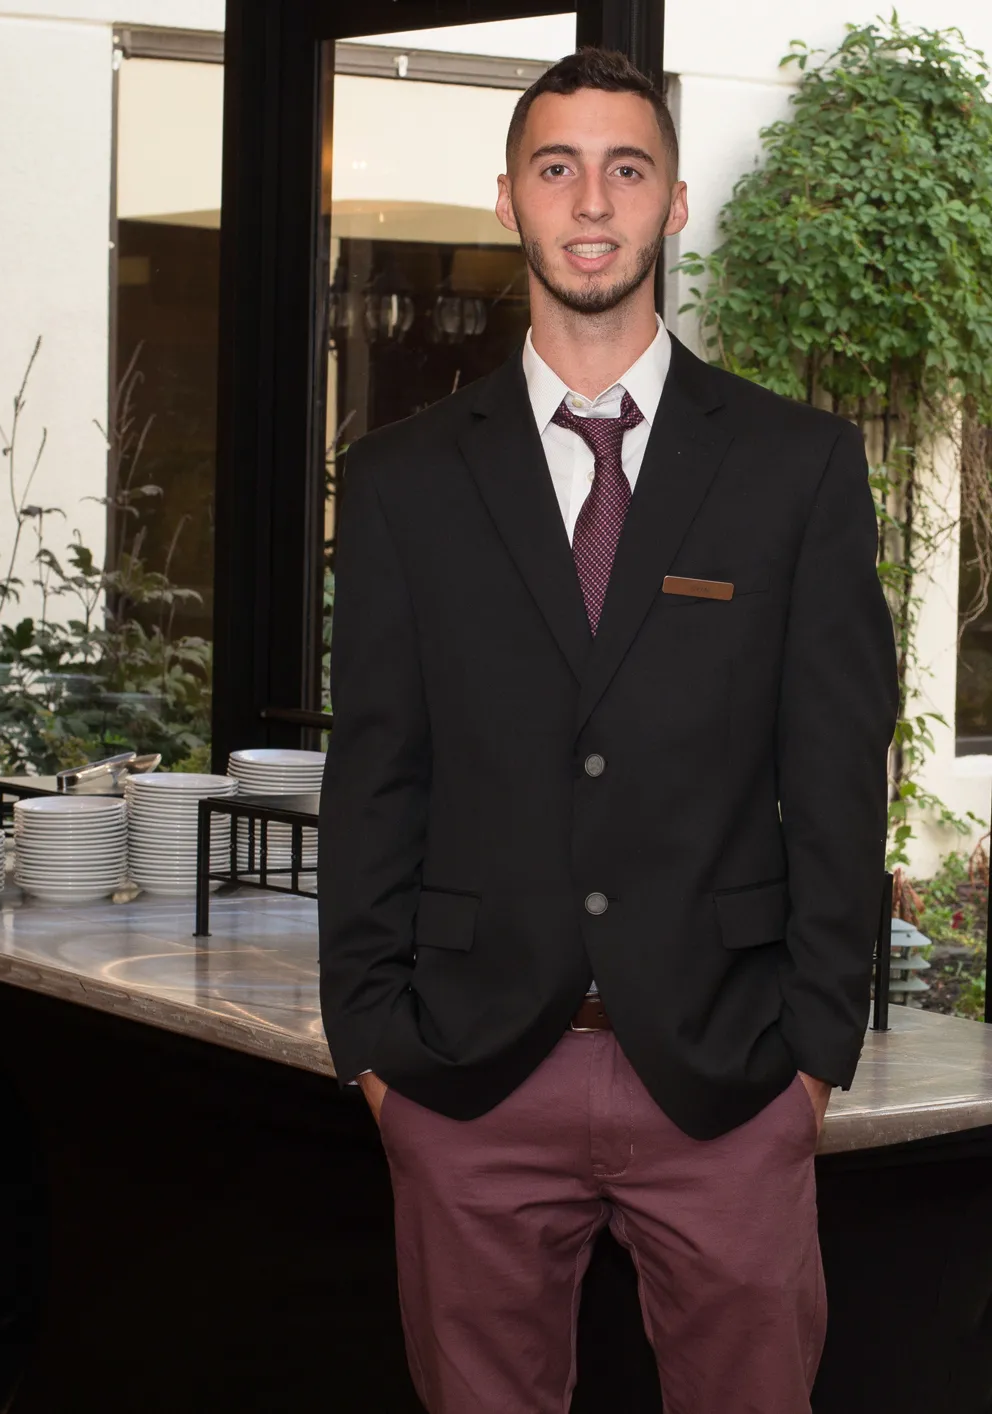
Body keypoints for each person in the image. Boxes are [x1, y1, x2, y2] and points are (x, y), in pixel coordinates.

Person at [319, 44, 899, 1414]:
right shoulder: (402, 481)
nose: (593, 201)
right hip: (466, 1080)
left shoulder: (796, 469)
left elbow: (833, 774)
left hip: (729, 1076)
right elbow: (377, 775)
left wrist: (816, 1055)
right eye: (558, 167)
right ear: (509, 200)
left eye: (626, 168)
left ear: (675, 201)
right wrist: (375, 1049)